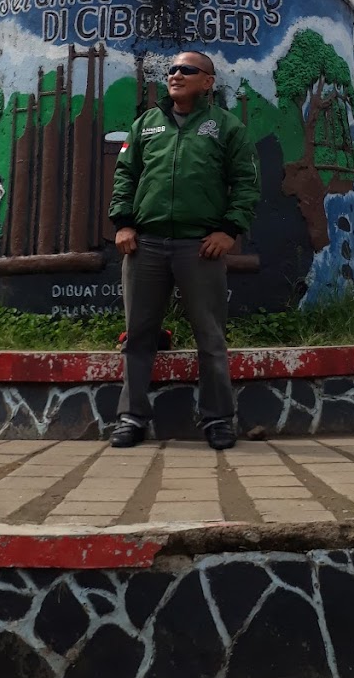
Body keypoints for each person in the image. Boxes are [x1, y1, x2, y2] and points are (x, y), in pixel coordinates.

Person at [108, 52, 260, 450]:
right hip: (145, 245)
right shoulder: (146, 125)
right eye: (172, 69)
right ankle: (131, 417)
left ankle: (218, 419)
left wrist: (228, 230)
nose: (176, 74)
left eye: (187, 70)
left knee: (210, 337)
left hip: (200, 247)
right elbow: (125, 175)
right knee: (139, 336)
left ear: (207, 81)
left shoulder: (227, 127)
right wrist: (123, 223)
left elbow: (246, 182)